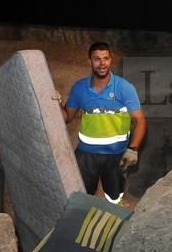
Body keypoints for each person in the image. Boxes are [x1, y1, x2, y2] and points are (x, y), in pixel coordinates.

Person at [61, 42, 147, 204]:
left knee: (114, 199)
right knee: (82, 198)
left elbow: (140, 120)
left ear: (110, 60)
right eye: (97, 59)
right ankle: (84, 227)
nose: (102, 63)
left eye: (105, 58)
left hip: (116, 155)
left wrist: (133, 149)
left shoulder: (124, 87)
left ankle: (112, 226)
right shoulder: (79, 88)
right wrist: (53, 101)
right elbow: (66, 117)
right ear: (90, 62)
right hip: (86, 155)